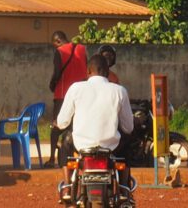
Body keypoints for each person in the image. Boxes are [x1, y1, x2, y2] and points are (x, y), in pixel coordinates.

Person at [55, 54, 135, 206]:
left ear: (88, 72)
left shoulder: (75, 88)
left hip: (82, 147)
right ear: (107, 72)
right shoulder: (119, 91)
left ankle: (67, 186)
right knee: (128, 141)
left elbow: (62, 122)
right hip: (110, 148)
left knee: (65, 139)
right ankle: (124, 189)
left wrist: (58, 123)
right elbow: (128, 127)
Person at [47, 31, 87, 167]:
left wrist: (52, 84)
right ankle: (78, 158)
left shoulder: (60, 52)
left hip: (62, 94)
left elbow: (57, 72)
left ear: (58, 41)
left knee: (56, 127)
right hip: (81, 95)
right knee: (76, 126)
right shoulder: (82, 49)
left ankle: (52, 158)